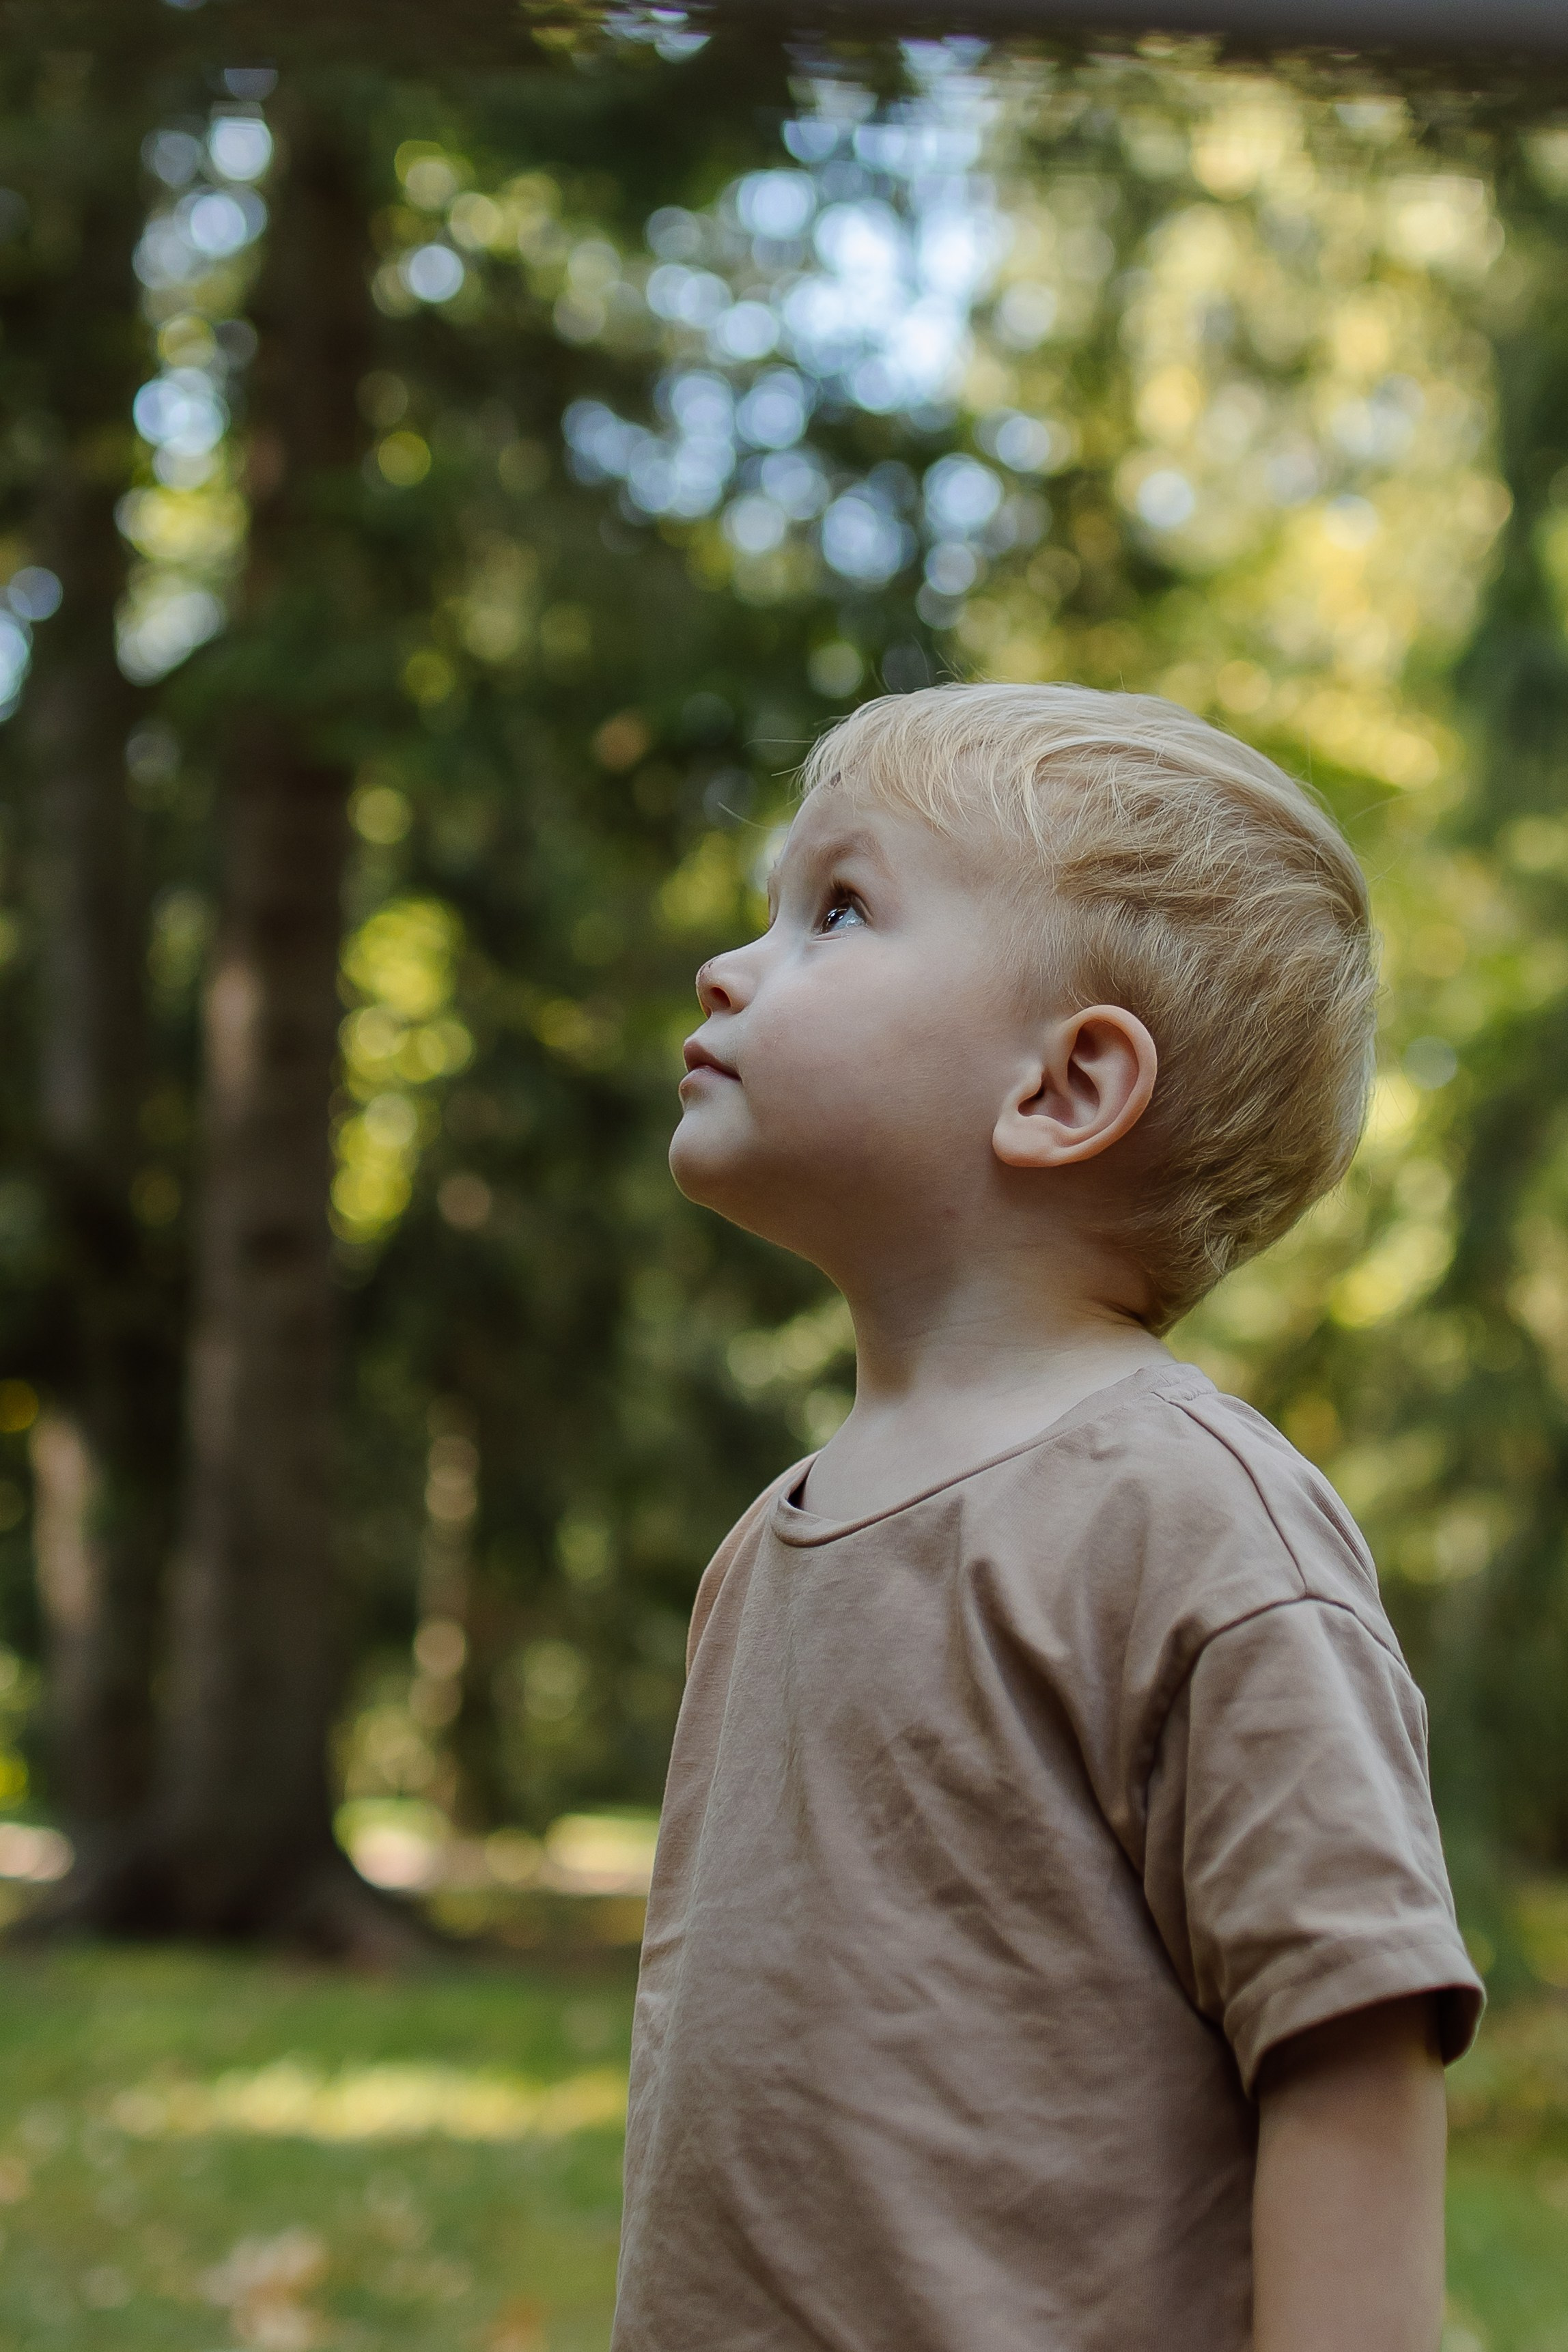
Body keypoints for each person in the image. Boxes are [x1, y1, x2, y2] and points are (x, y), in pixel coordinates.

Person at [612, 683, 1483, 2352]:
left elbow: (1348, 2038)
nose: (728, 968)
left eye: (837, 910)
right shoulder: (770, 1540)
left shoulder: (1184, 1518)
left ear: (1065, 1085)